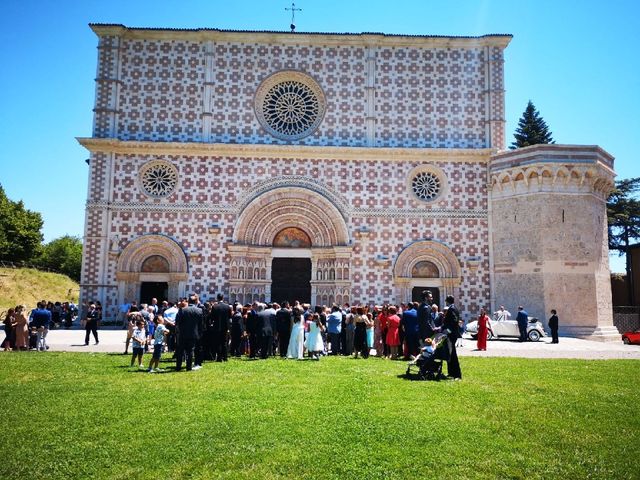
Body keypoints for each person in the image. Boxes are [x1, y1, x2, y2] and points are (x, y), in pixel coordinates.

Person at [175, 294, 204, 372]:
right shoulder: (199, 310)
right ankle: (189, 367)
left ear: (188, 301)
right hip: (193, 334)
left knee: (180, 350)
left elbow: (177, 322)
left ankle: (178, 366)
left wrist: (178, 331)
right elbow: (201, 324)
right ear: (195, 302)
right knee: (190, 351)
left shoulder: (182, 310)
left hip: (183, 333)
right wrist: (199, 333)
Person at [442, 295, 462, 379]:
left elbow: (454, 321)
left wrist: (448, 330)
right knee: (450, 354)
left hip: (451, 335)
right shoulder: (454, 308)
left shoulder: (452, 308)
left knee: (452, 354)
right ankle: (451, 372)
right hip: (452, 334)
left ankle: (456, 374)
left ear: (447, 301)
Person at [210, 293, 232, 362]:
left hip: (217, 327)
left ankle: (219, 357)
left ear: (217, 298)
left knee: (218, 342)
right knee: (224, 342)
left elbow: (212, 317)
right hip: (225, 327)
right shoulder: (227, 306)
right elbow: (229, 317)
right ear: (223, 298)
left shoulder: (215, 307)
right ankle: (225, 357)